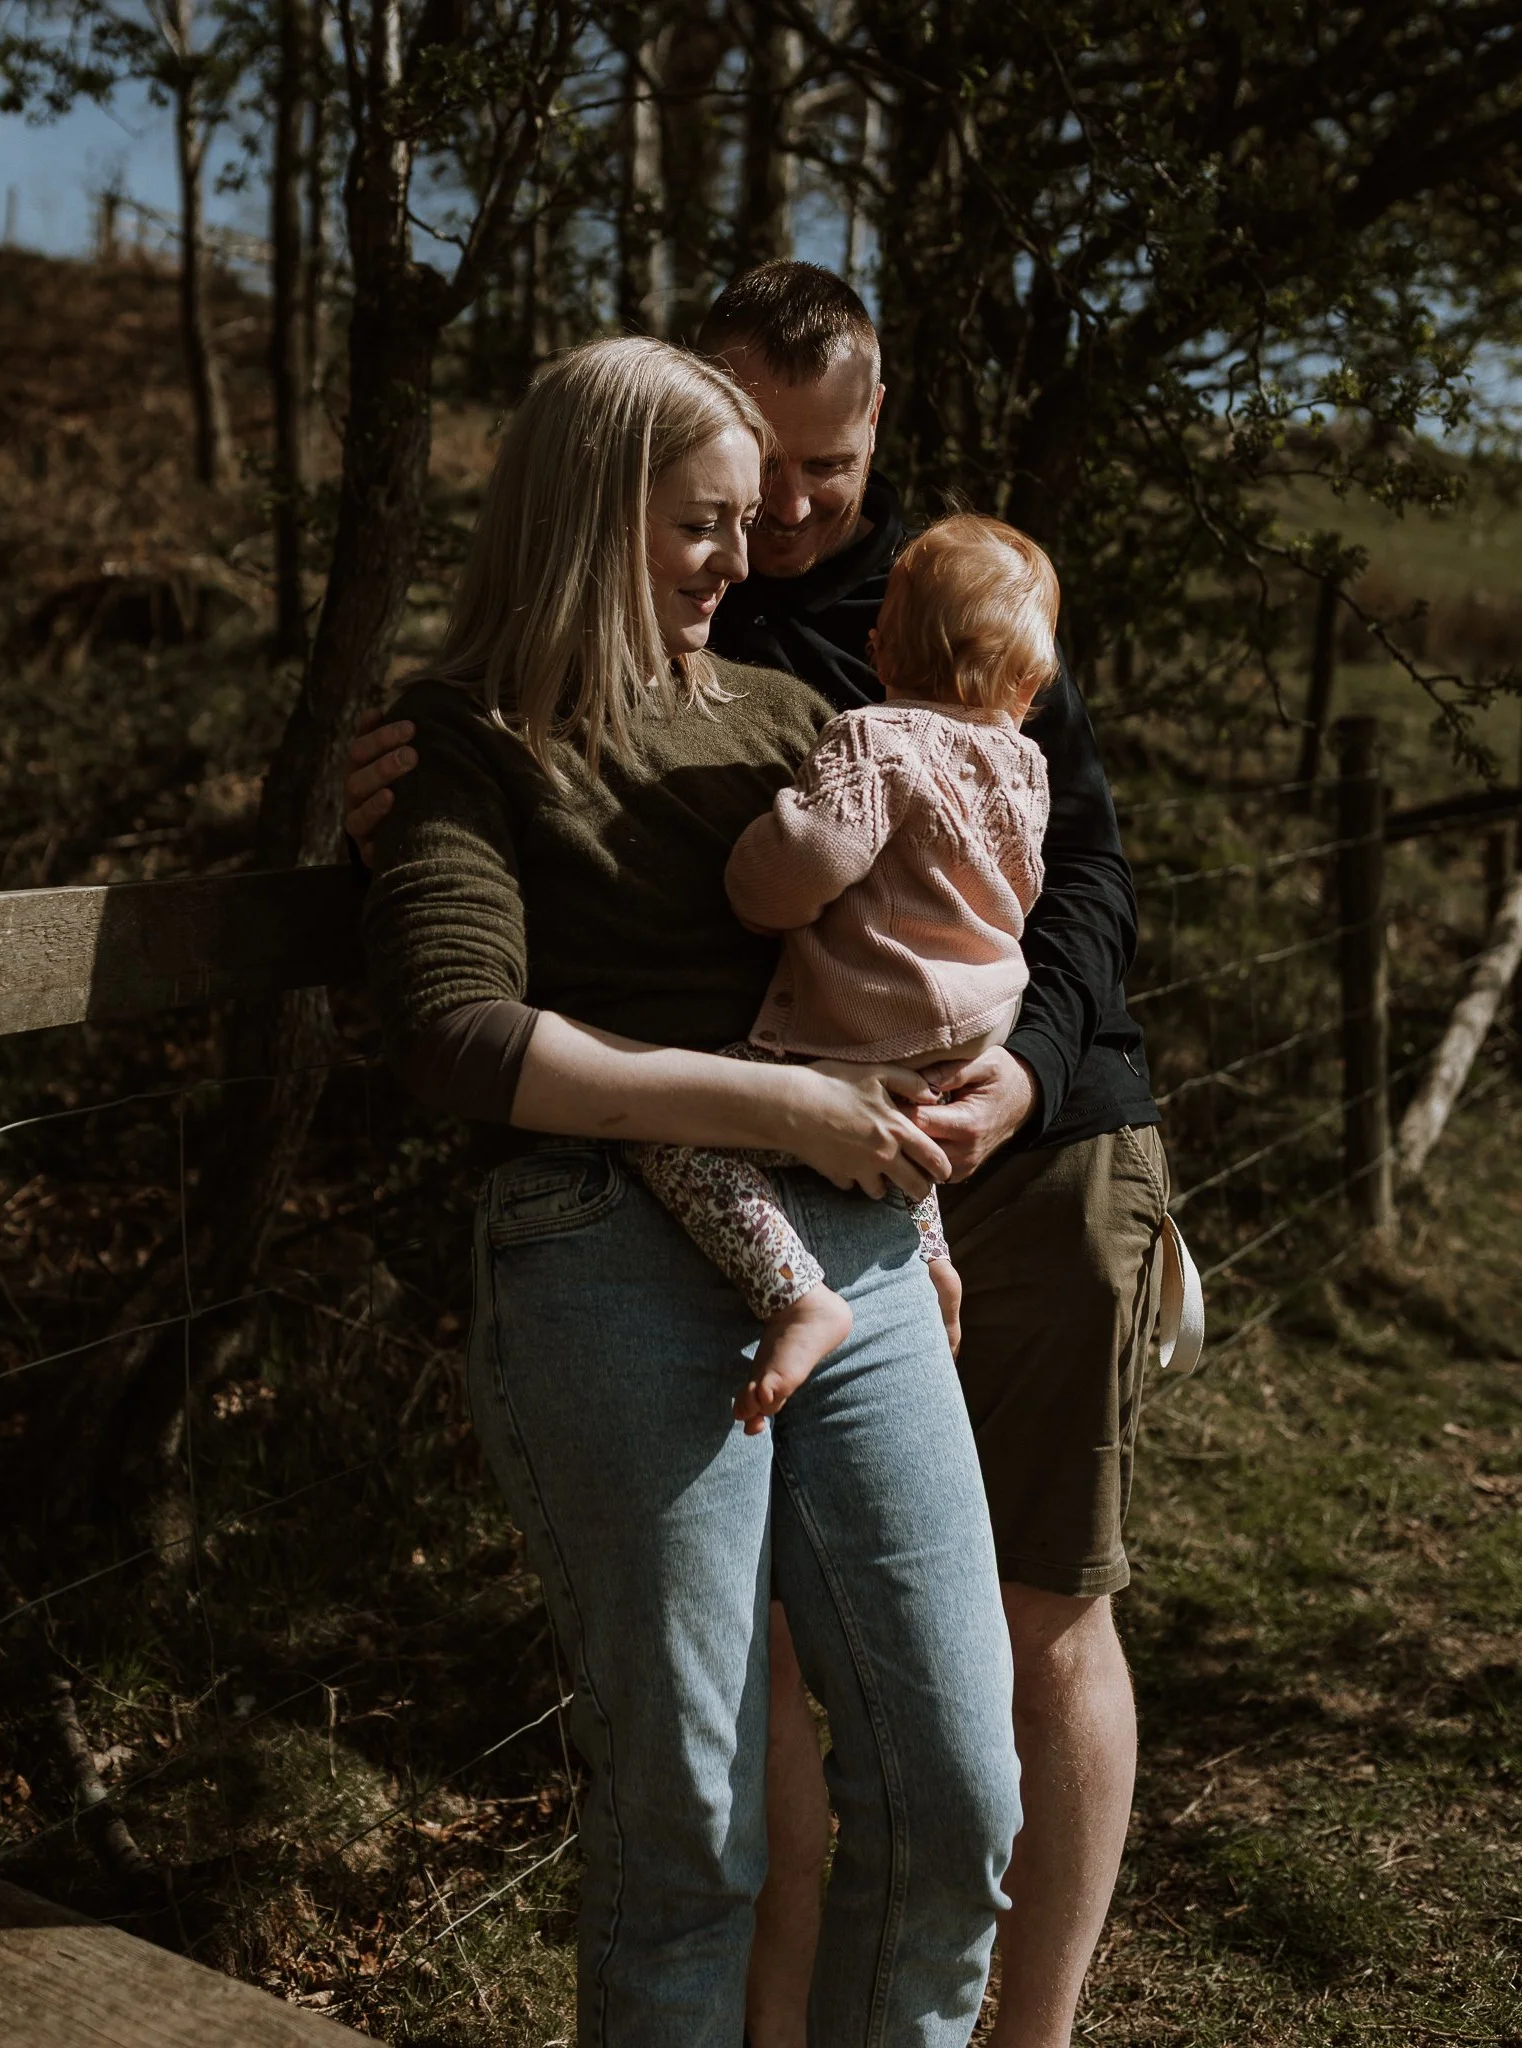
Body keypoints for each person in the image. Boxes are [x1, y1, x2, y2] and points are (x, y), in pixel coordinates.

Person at [347, 262, 1168, 2048]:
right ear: (586, 516)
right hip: (602, 1246)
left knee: (958, 1795)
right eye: (701, 524)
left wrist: (961, 1116)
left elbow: (973, 900)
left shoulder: (801, 721)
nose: (746, 557)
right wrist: (772, 1109)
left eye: (753, 518)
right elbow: (458, 1034)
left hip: (858, 1248)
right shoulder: (465, 738)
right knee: (693, 1831)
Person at [631, 514, 1058, 1434]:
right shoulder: (1026, 765)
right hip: (980, 1026)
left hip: (867, 1026)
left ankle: (794, 1294)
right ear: (1029, 682)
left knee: (676, 1132)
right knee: (908, 1112)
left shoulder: (874, 740)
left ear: (879, 644)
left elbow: (797, 869)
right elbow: (1022, 887)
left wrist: (751, 887)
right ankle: (933, 1254)